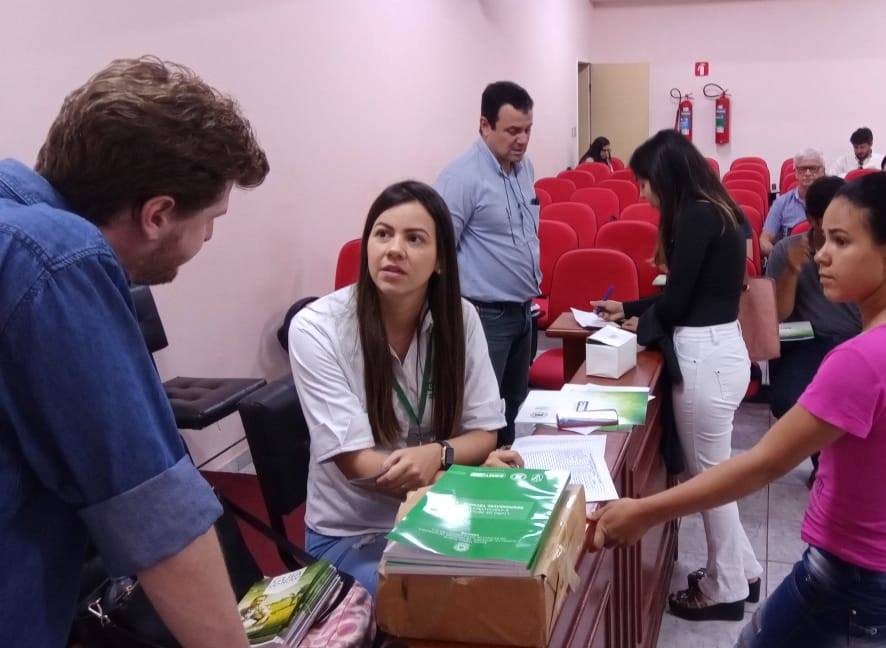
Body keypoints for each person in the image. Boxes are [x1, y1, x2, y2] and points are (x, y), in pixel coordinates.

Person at [591, 172, 886, 646]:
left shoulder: (865, 359)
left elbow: (763, 464)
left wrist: (645, 511)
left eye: (841, 241)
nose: (821, 254)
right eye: (823, 238)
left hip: (860, 577)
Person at [0, 57, 269, 647]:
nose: (210, 236)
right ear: (157, 215)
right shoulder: (58, 257)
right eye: (211, 219)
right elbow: (153, 512)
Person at [289, 181, 524, 595]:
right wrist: (467, 481)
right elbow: (357, 463)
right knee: (454, 598)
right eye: (383, 234)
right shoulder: (317, 328)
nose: (394, 249)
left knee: (519, 571)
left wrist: (440, 453)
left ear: (441, 260)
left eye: (414, 239)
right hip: (356, 533)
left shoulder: (461, 319)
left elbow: (484, 433)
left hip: (439, 514)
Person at [590, 129, 762, 622]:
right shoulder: (720, 209)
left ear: (665, 176)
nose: (643, 194)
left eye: (645, 183)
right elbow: (689, 292)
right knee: (715, 473)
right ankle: (744, 570)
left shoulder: (695, 216)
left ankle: (724, 588)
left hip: (704, 356)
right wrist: (630, 308)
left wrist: (640, 323)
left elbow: (679, 300)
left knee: (707, 480)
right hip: (722, 348)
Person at [436, 81, 539, 445]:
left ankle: (508, 468)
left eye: (527, 130)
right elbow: (439, 253)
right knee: (481, 415)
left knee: (513, 405)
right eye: (512, 131)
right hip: (484, 316)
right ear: (485, 125)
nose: (522, 140)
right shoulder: (461, 177)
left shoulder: (524, 169)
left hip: (523, 312)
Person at [765, 176, 862, 482]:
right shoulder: (787, 249)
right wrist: (792, 271)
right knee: (787, 400)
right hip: (805, 338)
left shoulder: (860, 251)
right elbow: (779, 314)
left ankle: (830, 466)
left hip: (853, 339)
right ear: (812, 219)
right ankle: (825, 459)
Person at [760, 148, 825, 256]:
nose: (807, 173)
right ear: (795, 173)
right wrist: (781, 258)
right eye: (802, 169)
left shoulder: (834, 202)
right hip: (791, 260)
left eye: (813, 168)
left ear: (823, 171)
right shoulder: (781, 203)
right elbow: (764, 241)